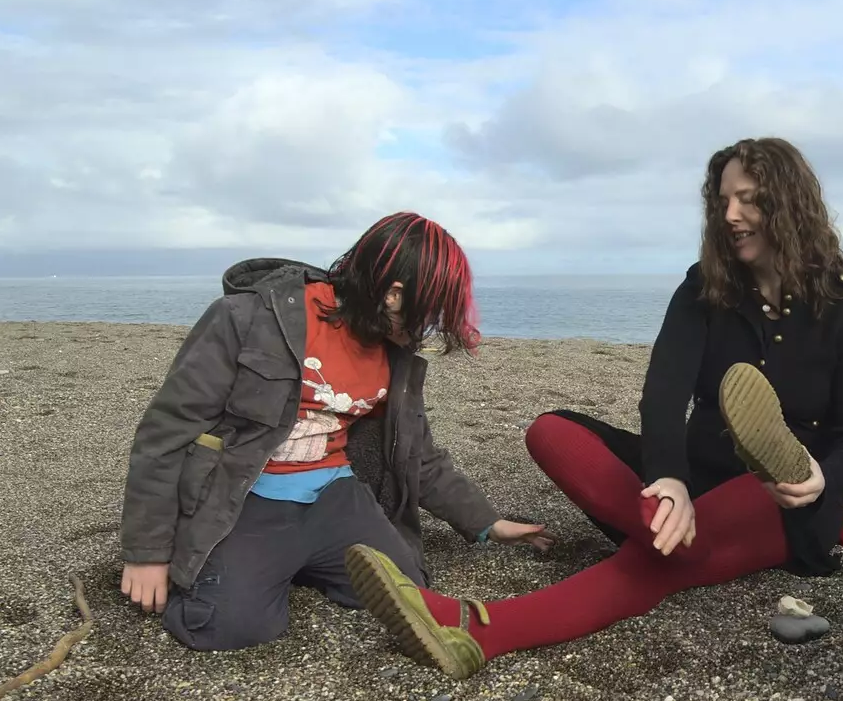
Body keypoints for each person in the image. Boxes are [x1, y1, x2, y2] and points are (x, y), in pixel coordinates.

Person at [342, 137, 843, 679]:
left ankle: (479, 630)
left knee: (655, 561)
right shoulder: (708, 287)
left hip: (780, 497)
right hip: (695, 480)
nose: (730, 214)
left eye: (748, 199)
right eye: (722, 201)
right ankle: (677, 531)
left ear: (788, 202)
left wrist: (822, 478)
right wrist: (669, 477)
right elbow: (664, 391)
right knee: (551, 432)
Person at [118, 212, 552, 652]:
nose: (427, 328)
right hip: (244, 498)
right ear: (393, 295)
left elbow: (417, 452)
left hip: (335, 496)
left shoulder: (396, 353)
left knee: (410, 588)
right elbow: (168, 430)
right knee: (226, 626)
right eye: (427, 312)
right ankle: (264, 567)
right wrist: (147, 553)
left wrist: (487, 523)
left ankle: (293, 561)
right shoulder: (248, 318)